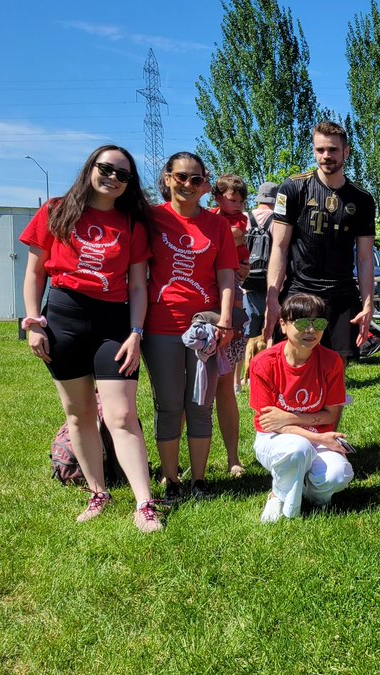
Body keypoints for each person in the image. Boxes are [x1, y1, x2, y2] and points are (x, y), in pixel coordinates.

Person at [19, 145, 165, 533]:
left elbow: (138, 286)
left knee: (121, 415)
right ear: (90, 168)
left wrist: (136, 333)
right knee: (78, 413)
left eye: (123, 174)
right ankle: (98, 492)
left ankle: (144, 503)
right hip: (62, 318)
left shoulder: (132, 224)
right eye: (106, 169)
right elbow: (35, 274)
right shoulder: (55, 210)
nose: (113, 178)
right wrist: (34, 322)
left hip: (113, 323)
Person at [142, 151, 238, 501]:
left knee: (200, 404)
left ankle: (198, 481)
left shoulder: (217, 226)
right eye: (180, 177)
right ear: (167, 178)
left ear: (204, 185)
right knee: (168, 405)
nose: (187, 184)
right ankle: (171, 480)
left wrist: (225, 320)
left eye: (195, 179)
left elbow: (226, 276)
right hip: (160, 327)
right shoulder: (150, 220)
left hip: (204, 329)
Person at [263, 121, 377, 374]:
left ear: (346, 152)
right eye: (320, 149)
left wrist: (368, 303)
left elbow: (366, 258)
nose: (326, 156)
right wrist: (272, 298)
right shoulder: (292, 188)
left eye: (333, 150)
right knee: (294, 369)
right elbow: (279, 247)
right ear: (314, 151)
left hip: (341, 294)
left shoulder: (363, 199)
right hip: (299, 291)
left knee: (335, 373)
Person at [249, 293, 353, 523]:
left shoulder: (332, 361)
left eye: (319, 323)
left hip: (317, 436)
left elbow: (331, 414)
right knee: (298, 448)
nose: (311, 330)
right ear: (283, 325)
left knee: (340, 475)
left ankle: (310, 493)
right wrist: (317, 434)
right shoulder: (263, 363)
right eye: (303, 323)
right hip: (274, 439)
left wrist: (287, 417)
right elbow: (269, 423)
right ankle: (278, 495)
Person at [210, 174, 252, 477]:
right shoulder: (211, 218)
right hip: (203, 301)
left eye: (239, 200)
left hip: (231, 298)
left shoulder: (238, 222)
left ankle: (233, 457)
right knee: (186, 392)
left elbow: (228, 240)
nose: (235, 204)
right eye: (230, 198)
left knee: (224, 384)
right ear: (216, 197)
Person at [242, 181, 278, 345]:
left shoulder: (244, 218)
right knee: (270, 331)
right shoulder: (278, 220)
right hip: (271, 282)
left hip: (246, 282)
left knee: (245, 333)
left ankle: (242, 370)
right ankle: (267, 367)